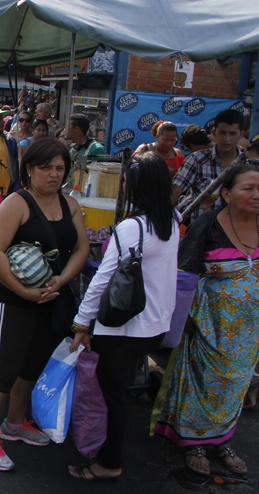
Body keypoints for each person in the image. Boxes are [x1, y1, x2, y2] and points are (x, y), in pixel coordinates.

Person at [0, 138, 88, 471]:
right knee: (5, 369)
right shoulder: (17, 203)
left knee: (33, 365)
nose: (53, 174)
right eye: (45, 168)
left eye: (59, 168)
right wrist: (23, 292)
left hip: (54, 298)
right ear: (29, 170)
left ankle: (15, 422)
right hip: (16, 300)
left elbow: (81, 248)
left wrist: (62, 279)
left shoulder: (70, 204)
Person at [68, 153, 179, 481]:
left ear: (138, 187)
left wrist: (81, 322)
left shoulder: (132, 227)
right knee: (119, 391)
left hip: (122, 327)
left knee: (112, 397)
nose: (124, 186)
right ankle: (108, 453)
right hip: (155, 326)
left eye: (128, 182)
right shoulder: (172, 220)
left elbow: (101, 279)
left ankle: (109, 461)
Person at [154, 162, 259, 477]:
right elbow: (183, 273)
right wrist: (183, 318)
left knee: (235, 387)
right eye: (248, 188)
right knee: (202, 384)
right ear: (226, 193)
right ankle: (193, 443)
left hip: (249, 331)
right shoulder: (208, 225)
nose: (256, 195)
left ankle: (223, 441)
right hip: (206, 325)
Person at [172, 110, 247, 219]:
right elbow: (173, 193)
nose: (227, 139)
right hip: (201, 233)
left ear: (241, 134)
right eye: (222, 133)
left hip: (236, 232)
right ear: (214, 133)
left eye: (232, 133)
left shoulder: (246, 164)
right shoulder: (196, 160)